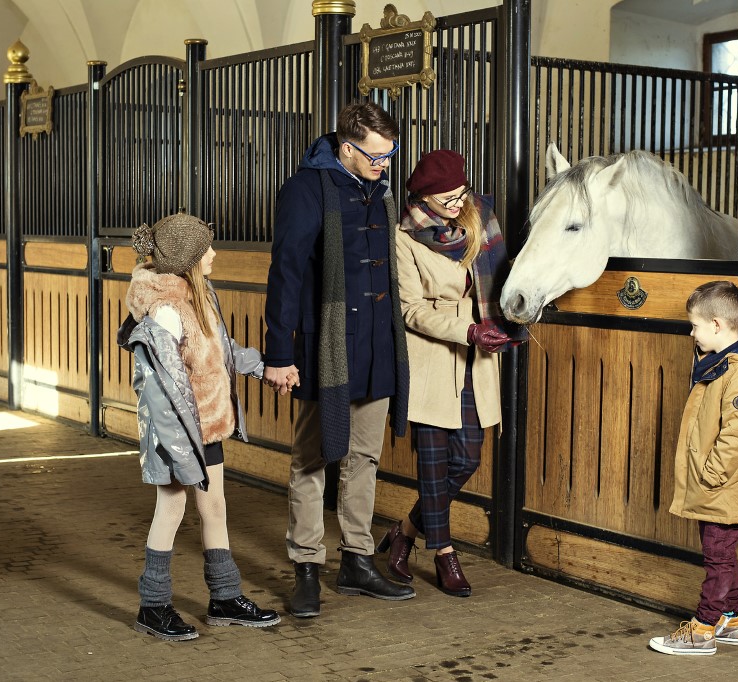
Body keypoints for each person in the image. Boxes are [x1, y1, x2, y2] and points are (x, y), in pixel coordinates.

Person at [262, 101, 415, 618]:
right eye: (376, 156)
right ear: (346, 148)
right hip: (326, 347)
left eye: (389, 155)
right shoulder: (306, 189)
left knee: (365, 458)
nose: (385, 164)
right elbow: (284, 273)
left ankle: (356, 561)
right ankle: (306, 566)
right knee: (312, 459)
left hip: (376, 347)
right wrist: (279, 353)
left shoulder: (380, 189)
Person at [119, 212, 280, 641]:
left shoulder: (197, 294)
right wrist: (178, 449)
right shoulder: (167, 311)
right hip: (178, 435)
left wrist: (264, 368)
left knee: (215, 507)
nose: (213, 253)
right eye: (205, 247)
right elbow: (156, 391)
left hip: (206, 426)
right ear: (187, 258)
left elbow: (219, 349)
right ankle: (152, 607)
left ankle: (225, 597)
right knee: (171, 510)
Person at [379, 150, 526, 597]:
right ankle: (444, 553)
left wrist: (503, 321)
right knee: (433, 462)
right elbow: (410, 308)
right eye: (446, 199)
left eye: (461, 193)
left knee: (467, 458)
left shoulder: (480, 213)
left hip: (478, 356)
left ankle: (404, 531)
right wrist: (467, 329)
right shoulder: (403, 236)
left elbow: (503, 276)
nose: (457, 204)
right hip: (432, 356)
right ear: (422, 198)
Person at [648, 280, 738, 656]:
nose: (692, 332)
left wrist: (712, 474)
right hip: (717, 482)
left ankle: (702, 629)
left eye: (696, 326)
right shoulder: (722, 363)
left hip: (723, 483)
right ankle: (731, 620)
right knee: (722, 554)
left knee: (717, 557)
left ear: (717, 325)